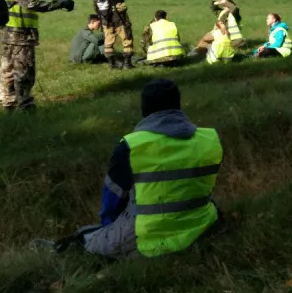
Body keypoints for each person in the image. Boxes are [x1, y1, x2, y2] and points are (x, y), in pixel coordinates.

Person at [75, 79, 224, 258]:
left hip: (147, 239)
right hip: (200, 225)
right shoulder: (210, 139)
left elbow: (112, 202)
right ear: (177, 104)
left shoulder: (131, 146)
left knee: (86, 239)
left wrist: (109, 226)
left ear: (145, 109)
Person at [0, 0, 74, 112]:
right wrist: (59, 4)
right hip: (19, 33)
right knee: (23, 72)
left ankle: (9, 105)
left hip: (7, 32)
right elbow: (30, 3)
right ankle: (25, 107)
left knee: (7, 70)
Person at [93, 0, 156, 70]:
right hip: (117, 15)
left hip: (104, 16)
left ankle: (112, 65)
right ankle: (127, 64)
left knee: (108, 41)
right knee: (127, 37)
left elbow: (95, 0)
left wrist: (100, 14)